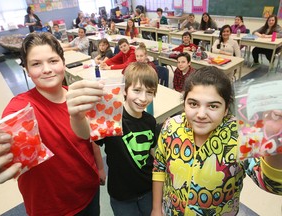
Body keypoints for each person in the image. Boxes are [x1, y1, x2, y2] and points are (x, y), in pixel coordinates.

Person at [0, 32, 103, 216]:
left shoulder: (77, 98)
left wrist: (100, 168)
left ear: (63, 62)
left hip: (89, 192)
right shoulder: (20, 110)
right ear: (27, 70)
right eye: (36, 64)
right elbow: (4, 139)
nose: (46, 69)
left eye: (53, 61)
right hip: (50, 207)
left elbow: (90, 139)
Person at [151, 66, 282, 216]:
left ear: (226, 109)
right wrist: (156, 209)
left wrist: (274, 139)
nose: (201, 114)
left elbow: (272, 185)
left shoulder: (240, 135)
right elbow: (159, 167)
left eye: (213, 106)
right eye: (193, 104)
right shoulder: (171, 127)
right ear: (184, 103)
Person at [66, 62, 159, 216]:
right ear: (124, 90)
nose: (143, 98)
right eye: (137, 90)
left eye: (149, 92)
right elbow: (85, 135)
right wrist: (78, 117)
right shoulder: (111, 118)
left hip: (148, 188)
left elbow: (152, 151)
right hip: (122, 195)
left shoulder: (150, 120)